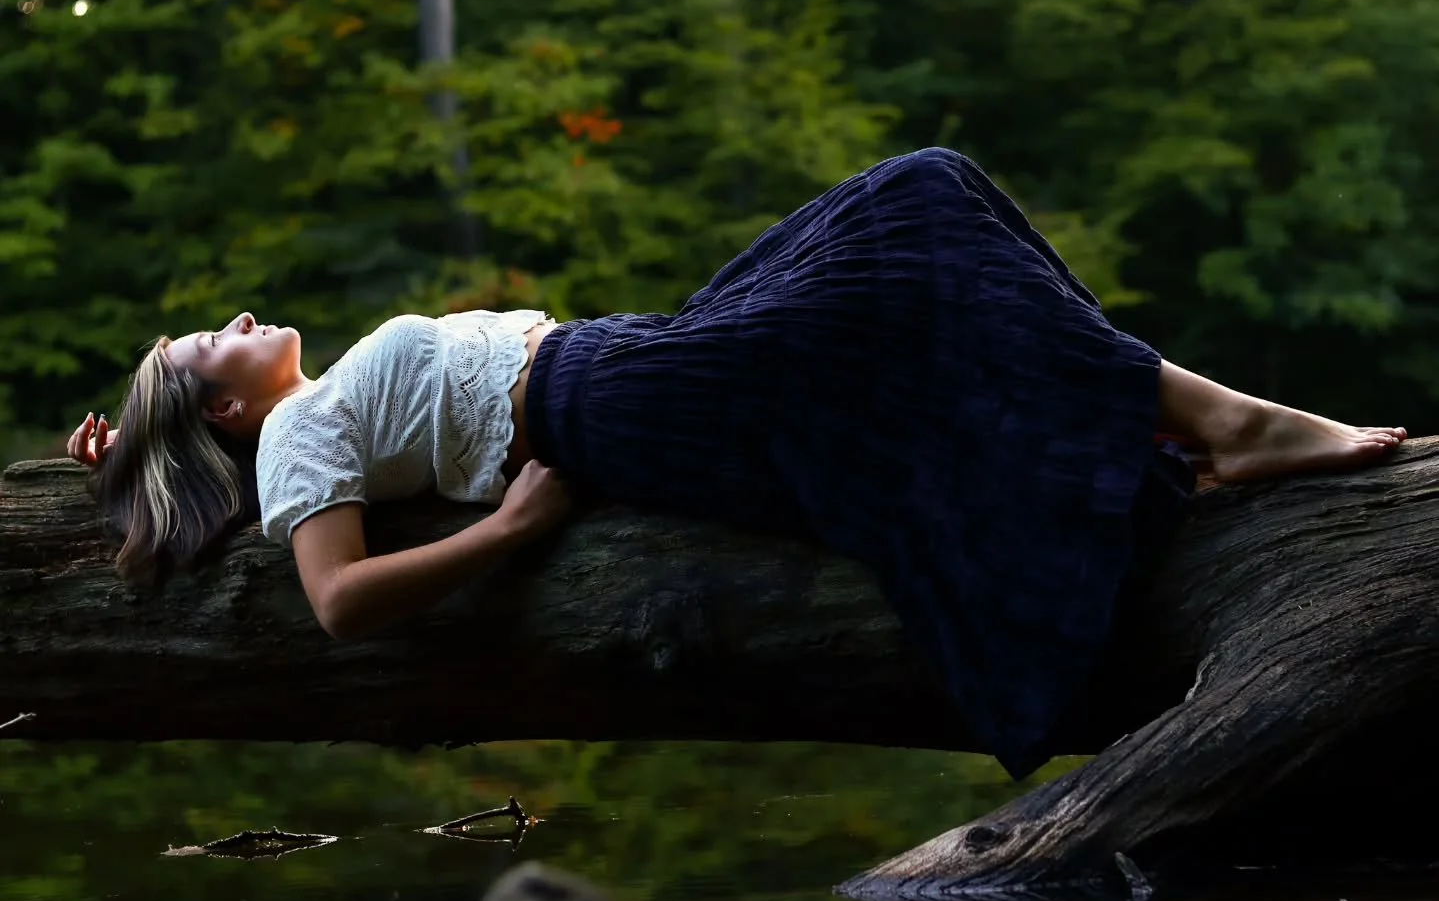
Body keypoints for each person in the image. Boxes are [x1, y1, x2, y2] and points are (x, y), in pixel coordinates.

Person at [66, 149, 1406, 778]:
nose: (236, 324)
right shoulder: (299, 432)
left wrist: (127, 453)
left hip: (637, 359)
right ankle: (1223, 424)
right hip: (607, 401)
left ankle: (1179, 438)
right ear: (229, 419)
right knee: (914, 223)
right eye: (205, 348)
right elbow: (339, 601)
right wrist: (513, 533)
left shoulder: (298, 415)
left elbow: (236, 483)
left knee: (921, 206)